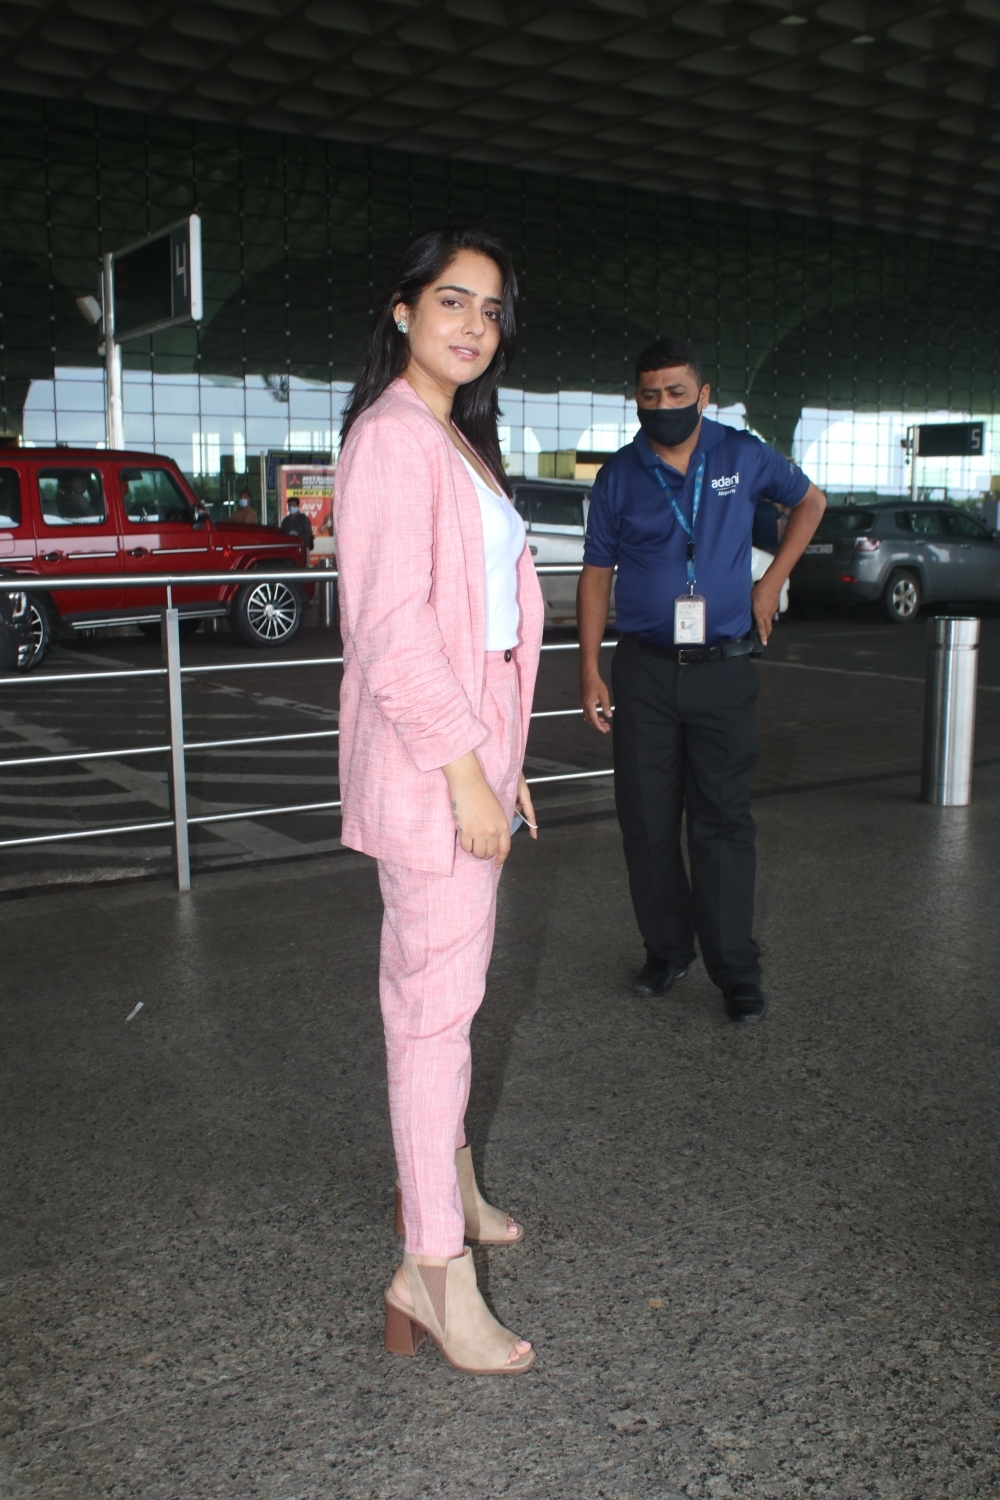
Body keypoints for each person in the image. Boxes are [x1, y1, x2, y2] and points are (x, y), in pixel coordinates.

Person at [334, 228, 543, 1375]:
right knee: (429, 1017)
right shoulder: (390, 440)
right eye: (451, 301)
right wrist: (469, 774)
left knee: (449, 1001)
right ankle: (430, 1267)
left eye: (491, 309)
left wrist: (503, 769)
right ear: (403, 309)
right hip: (430, 773)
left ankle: (449, 1186)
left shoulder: (451, 438)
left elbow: (489, 633)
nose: (473, 323)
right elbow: (393, 629)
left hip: (466, 762)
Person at [577, 336, 826, 1024]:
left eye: (677, 394)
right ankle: (666, 951)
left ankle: (735, 970)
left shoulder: (741, 455)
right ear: (638, 399)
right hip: (646, 671)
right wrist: (589, 666)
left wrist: (771, 581)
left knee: (722, 824)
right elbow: (596, 573)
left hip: (723, 671)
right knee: (647, 824)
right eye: (650, 396)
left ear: (704, 394)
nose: (663, 407)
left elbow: (812, 502)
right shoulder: (620, 475)